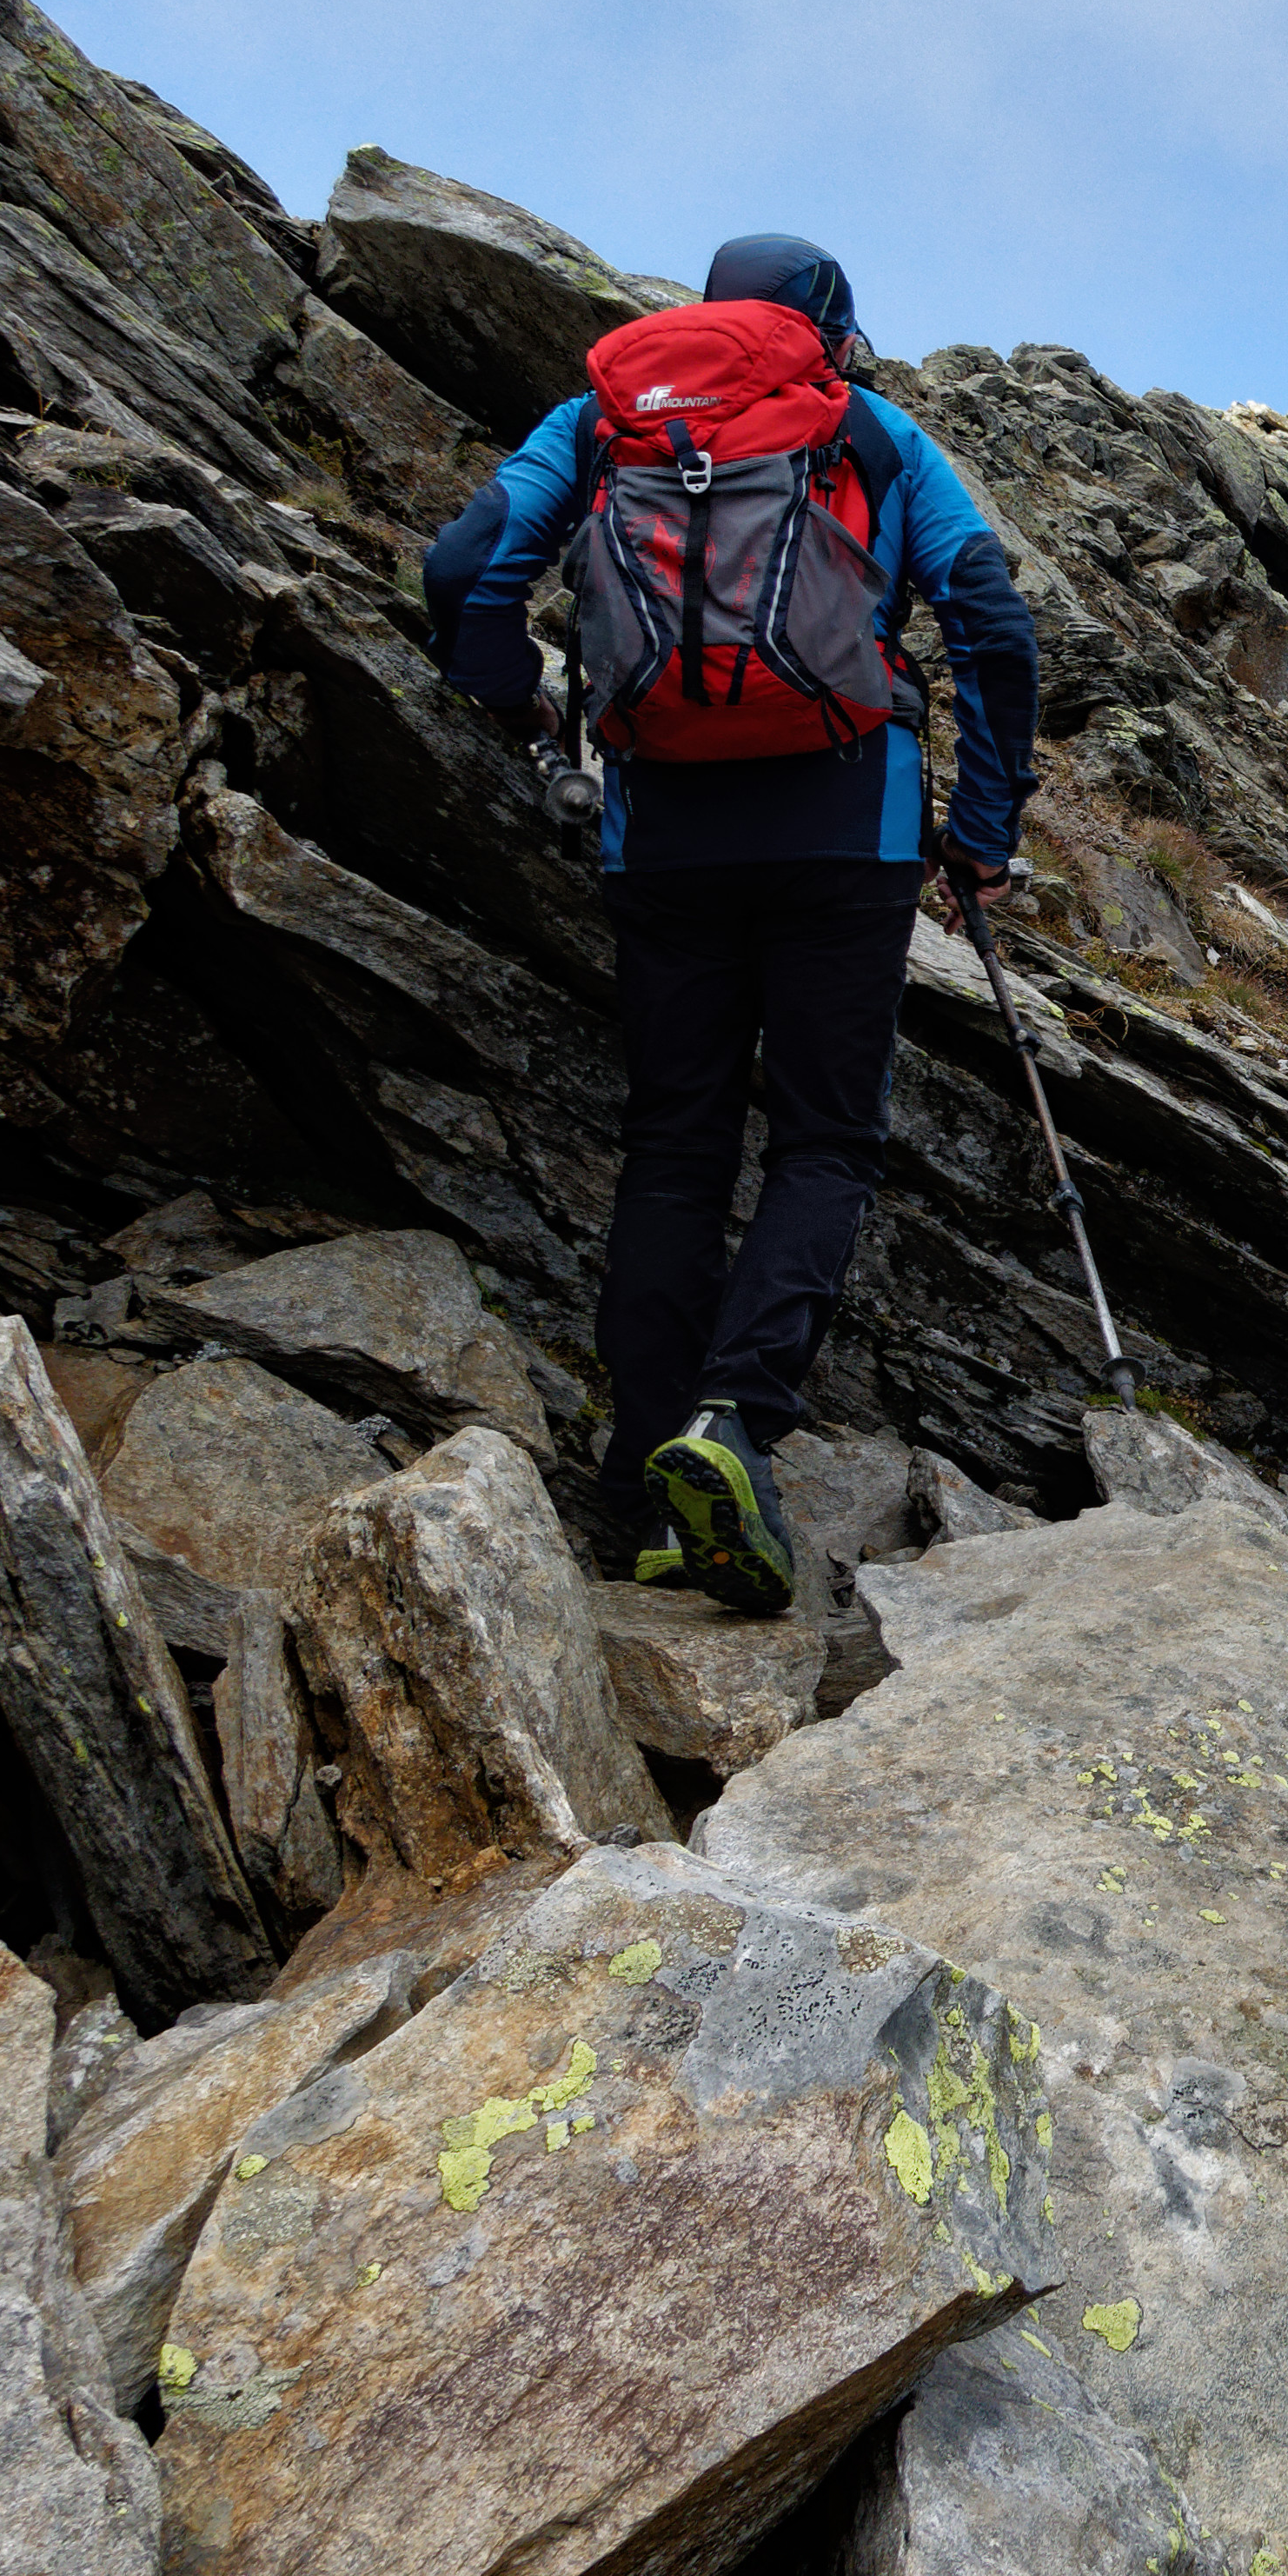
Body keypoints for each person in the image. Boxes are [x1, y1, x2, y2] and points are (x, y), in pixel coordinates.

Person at [429, 234, 1035, 1615]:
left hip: (667, 833)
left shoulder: (602, 419)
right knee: (824, 1138)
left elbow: (466, 559)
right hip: (845, 823)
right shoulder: (867, 429)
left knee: (676, 1143)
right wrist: (985, 832)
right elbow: (990, 618)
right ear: (832, 323)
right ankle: (738, 1424)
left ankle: (646, 1478)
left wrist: (507, 688)